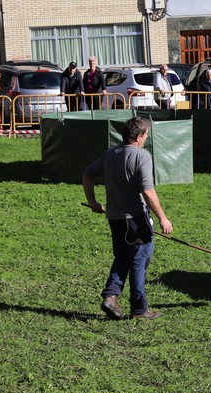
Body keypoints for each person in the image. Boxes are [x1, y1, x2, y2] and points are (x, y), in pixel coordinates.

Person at [82, 116, 173, 320]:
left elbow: (87, 174)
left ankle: (111, 296)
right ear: (139, 137)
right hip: (136, 219)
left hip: (115, 218)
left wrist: (92, 201)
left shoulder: (110, 154)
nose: (146, 138)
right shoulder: (142, 156)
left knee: (123, 256)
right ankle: (139, 309)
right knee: (139, 260)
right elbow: (148, 192)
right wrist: (163, 218)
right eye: (146, 135)